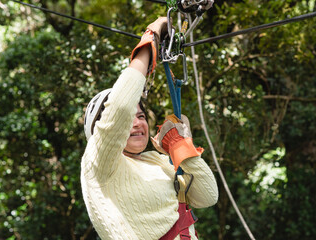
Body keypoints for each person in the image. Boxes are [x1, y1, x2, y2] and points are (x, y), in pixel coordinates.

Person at [81, 17, 218, 240]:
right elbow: (121, 106)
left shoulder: (158, 162)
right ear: (104, 130)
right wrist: (149, 40)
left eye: (142, 116)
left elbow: (207, 196)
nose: (137, 122)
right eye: (127, 120)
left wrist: (180, 148)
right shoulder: (98, 165)